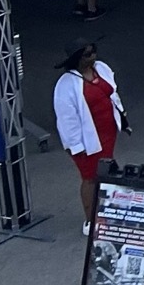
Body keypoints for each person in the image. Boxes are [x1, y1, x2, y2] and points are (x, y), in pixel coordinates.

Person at [53, 40, 123, 230]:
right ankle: (91, 221)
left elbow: (113, 93)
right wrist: (77, 147)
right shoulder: (65, 85)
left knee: (105, 171)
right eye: (87, 54)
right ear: (76, 59)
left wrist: (122, 118)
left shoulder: (101, 68)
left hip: (107, 132)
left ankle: (105, 213)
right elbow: (67, 120)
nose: (93, 56)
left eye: (94, 51)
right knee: (90, 177)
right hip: (86, 140)